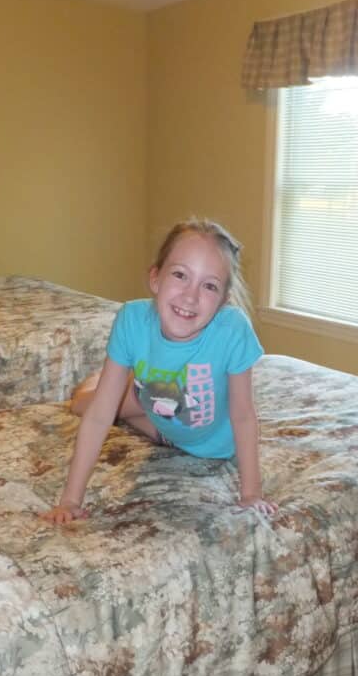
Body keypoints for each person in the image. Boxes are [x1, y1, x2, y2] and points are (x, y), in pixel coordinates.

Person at [41, 218, 278, 524]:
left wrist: (251, 494)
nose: (190, 297)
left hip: (185, 434)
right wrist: (70, 500)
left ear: (223, 302)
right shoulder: (131, 319)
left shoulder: (232, 330)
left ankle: (129, 390)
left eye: (209, 286)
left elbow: (244, 415)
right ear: (155, 278)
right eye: (180, 275)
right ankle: (106, 384)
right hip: (164, 413)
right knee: (84, 405)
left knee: (130, 408)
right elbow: (99, 416)